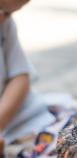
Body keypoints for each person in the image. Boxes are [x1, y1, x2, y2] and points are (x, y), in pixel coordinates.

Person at [0, 0, 55, 144]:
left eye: (7, 13)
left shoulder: (5, 23)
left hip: (23, 116)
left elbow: (20, 77)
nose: (3, 17)